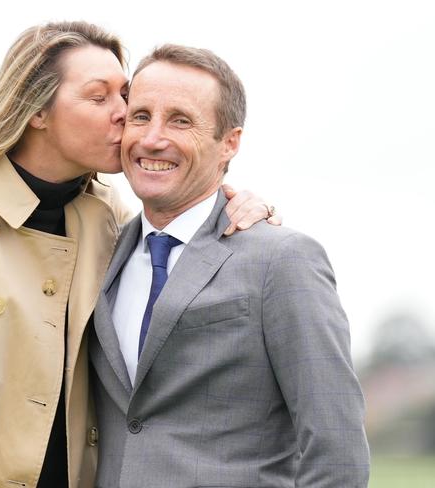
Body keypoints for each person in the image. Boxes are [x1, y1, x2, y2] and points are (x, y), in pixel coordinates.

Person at [0, 22, 276, 488]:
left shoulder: (110, 221)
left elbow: (184, 217)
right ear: (37, 111)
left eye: (125, 95)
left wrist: (234, 203)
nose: (125, 113)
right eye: (100, 98)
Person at [89, 44, 370, 487]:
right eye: (140, 116)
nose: (152, 138)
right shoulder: (98, 251)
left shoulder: (282, 260)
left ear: (229, 143)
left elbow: (337, 450)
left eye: (180, 120)